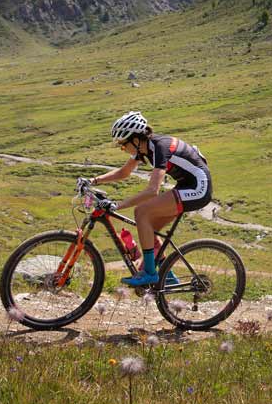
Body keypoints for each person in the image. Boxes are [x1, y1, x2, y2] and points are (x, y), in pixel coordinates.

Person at [83, 111, 212, 287]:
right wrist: (93, 180)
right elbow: (124, 172)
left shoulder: (160, 148)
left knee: (141, 211)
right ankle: (169, 281)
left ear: (135, 140)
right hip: (185, 185)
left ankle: (150, 273)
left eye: (123, 145)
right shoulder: (145, 148)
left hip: (198, 188)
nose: (122, 149)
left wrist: (117, 205)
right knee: (149, 229)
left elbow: (152, 191)